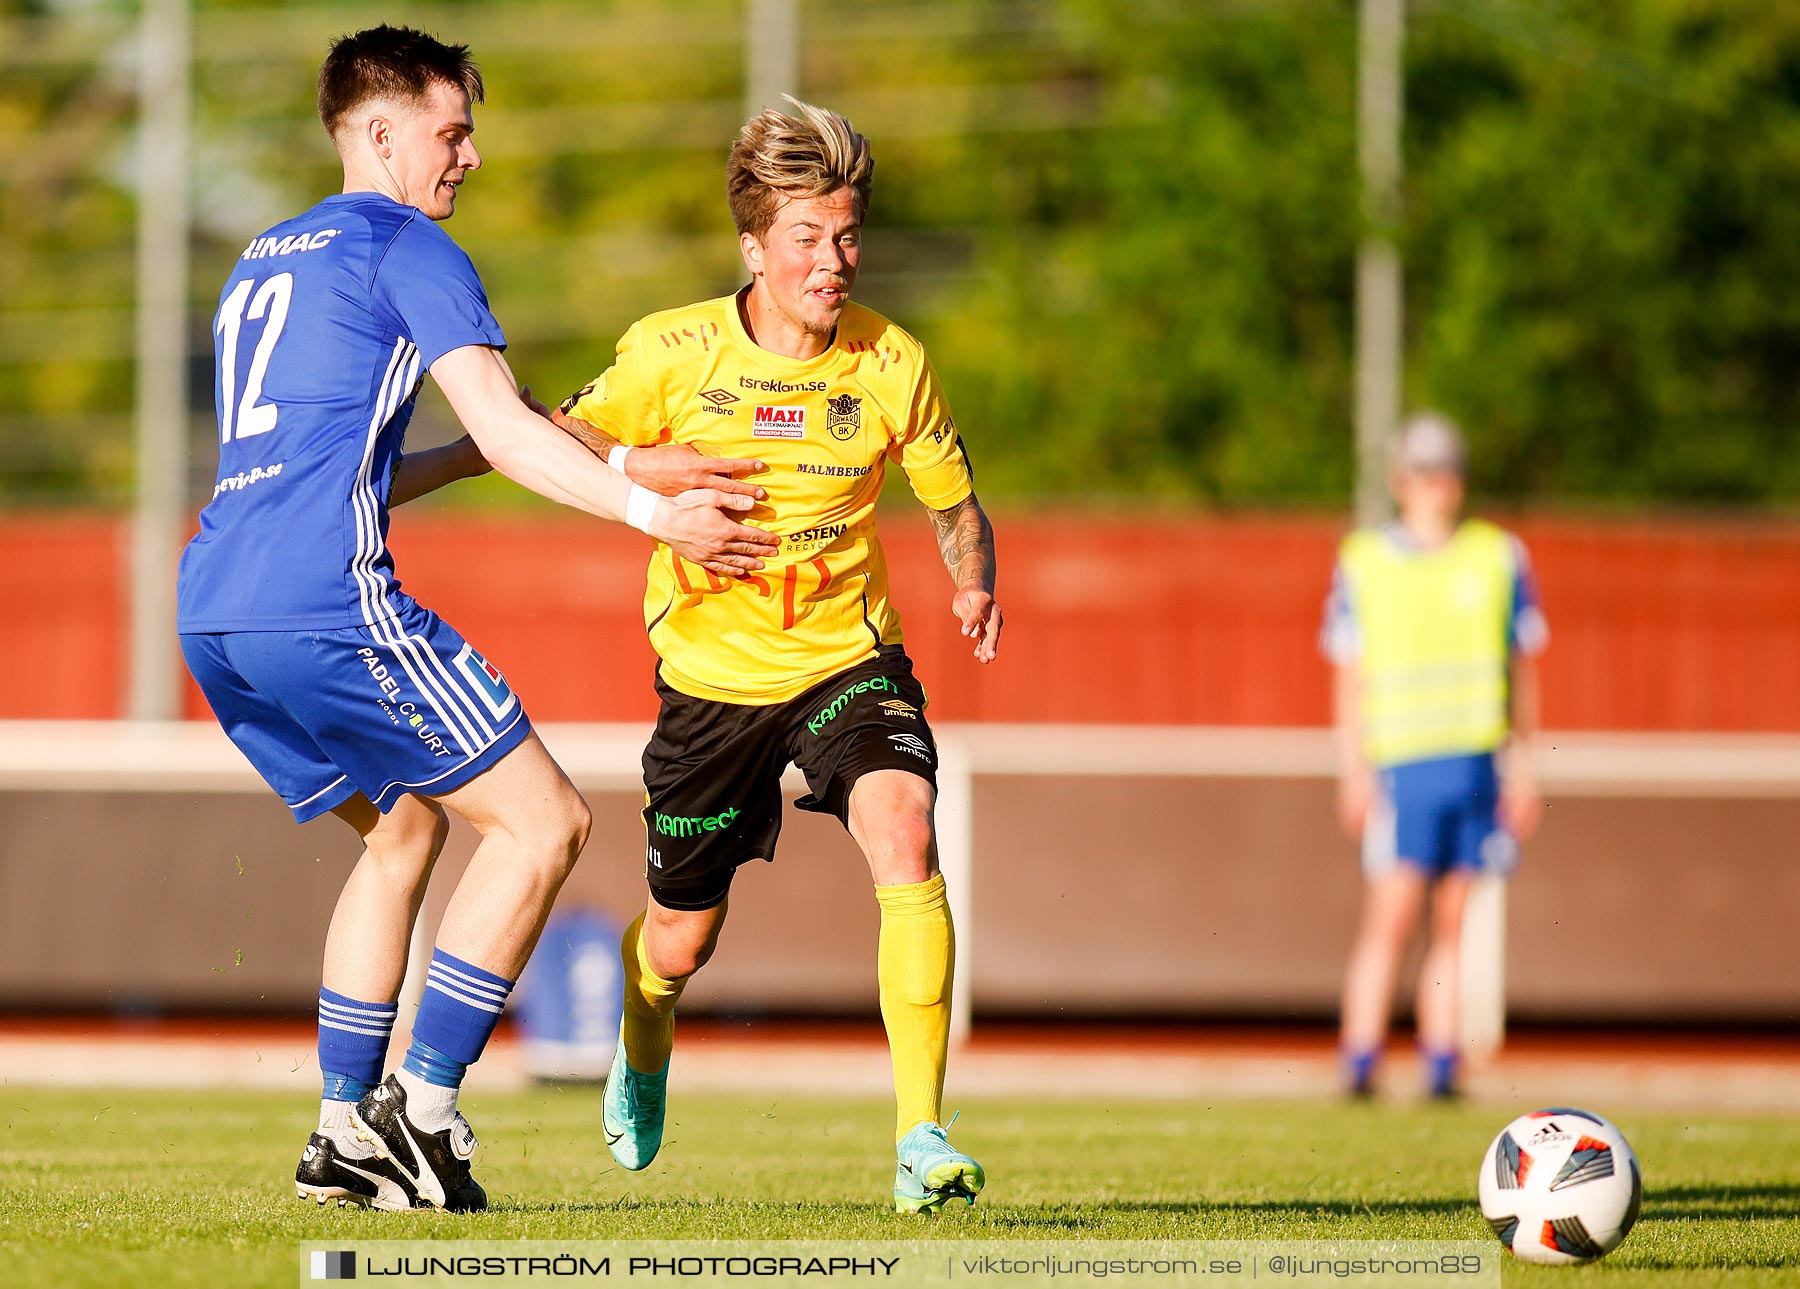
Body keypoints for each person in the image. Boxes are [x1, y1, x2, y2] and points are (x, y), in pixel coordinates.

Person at [176, 26, 777, 1213]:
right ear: (381, 131)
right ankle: (427, 1110)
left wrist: (512, 452)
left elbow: (364, 466)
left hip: (215, 608)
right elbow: (503, 431)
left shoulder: (264, 257)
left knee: (401, 830)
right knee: (545, 821)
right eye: (452, 131)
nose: (472, 156)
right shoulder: (408, 244)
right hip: (321, 601)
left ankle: (344, 1128)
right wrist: (656, 512)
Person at [553, 97, 1002, 1214]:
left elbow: (957, 503)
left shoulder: (892, 363)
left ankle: (921, 1135)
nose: (833, 261)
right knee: (679, 937)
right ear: (754, 246)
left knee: (905, 829)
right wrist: (640, 464)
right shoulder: (671, 350)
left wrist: (974, 574)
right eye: (808, 238)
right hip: (711, 684)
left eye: (847, 236)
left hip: (849, 661)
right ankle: (643, 1033)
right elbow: (555, 427)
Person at [1322, 413, 1547, 1100]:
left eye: (1445, 472)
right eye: (1421, 473)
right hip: (1401, 762)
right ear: (1399, 480)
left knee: (1453, 915)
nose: (1434, 486)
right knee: (1392, 911)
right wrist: (1353, 768)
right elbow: (1346, 670)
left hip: (1474, 760)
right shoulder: (1365, 560)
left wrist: (1525, 766)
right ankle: (1360, 1054)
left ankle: (1440, 1056)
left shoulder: (1497, 554)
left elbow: (1523, 667)